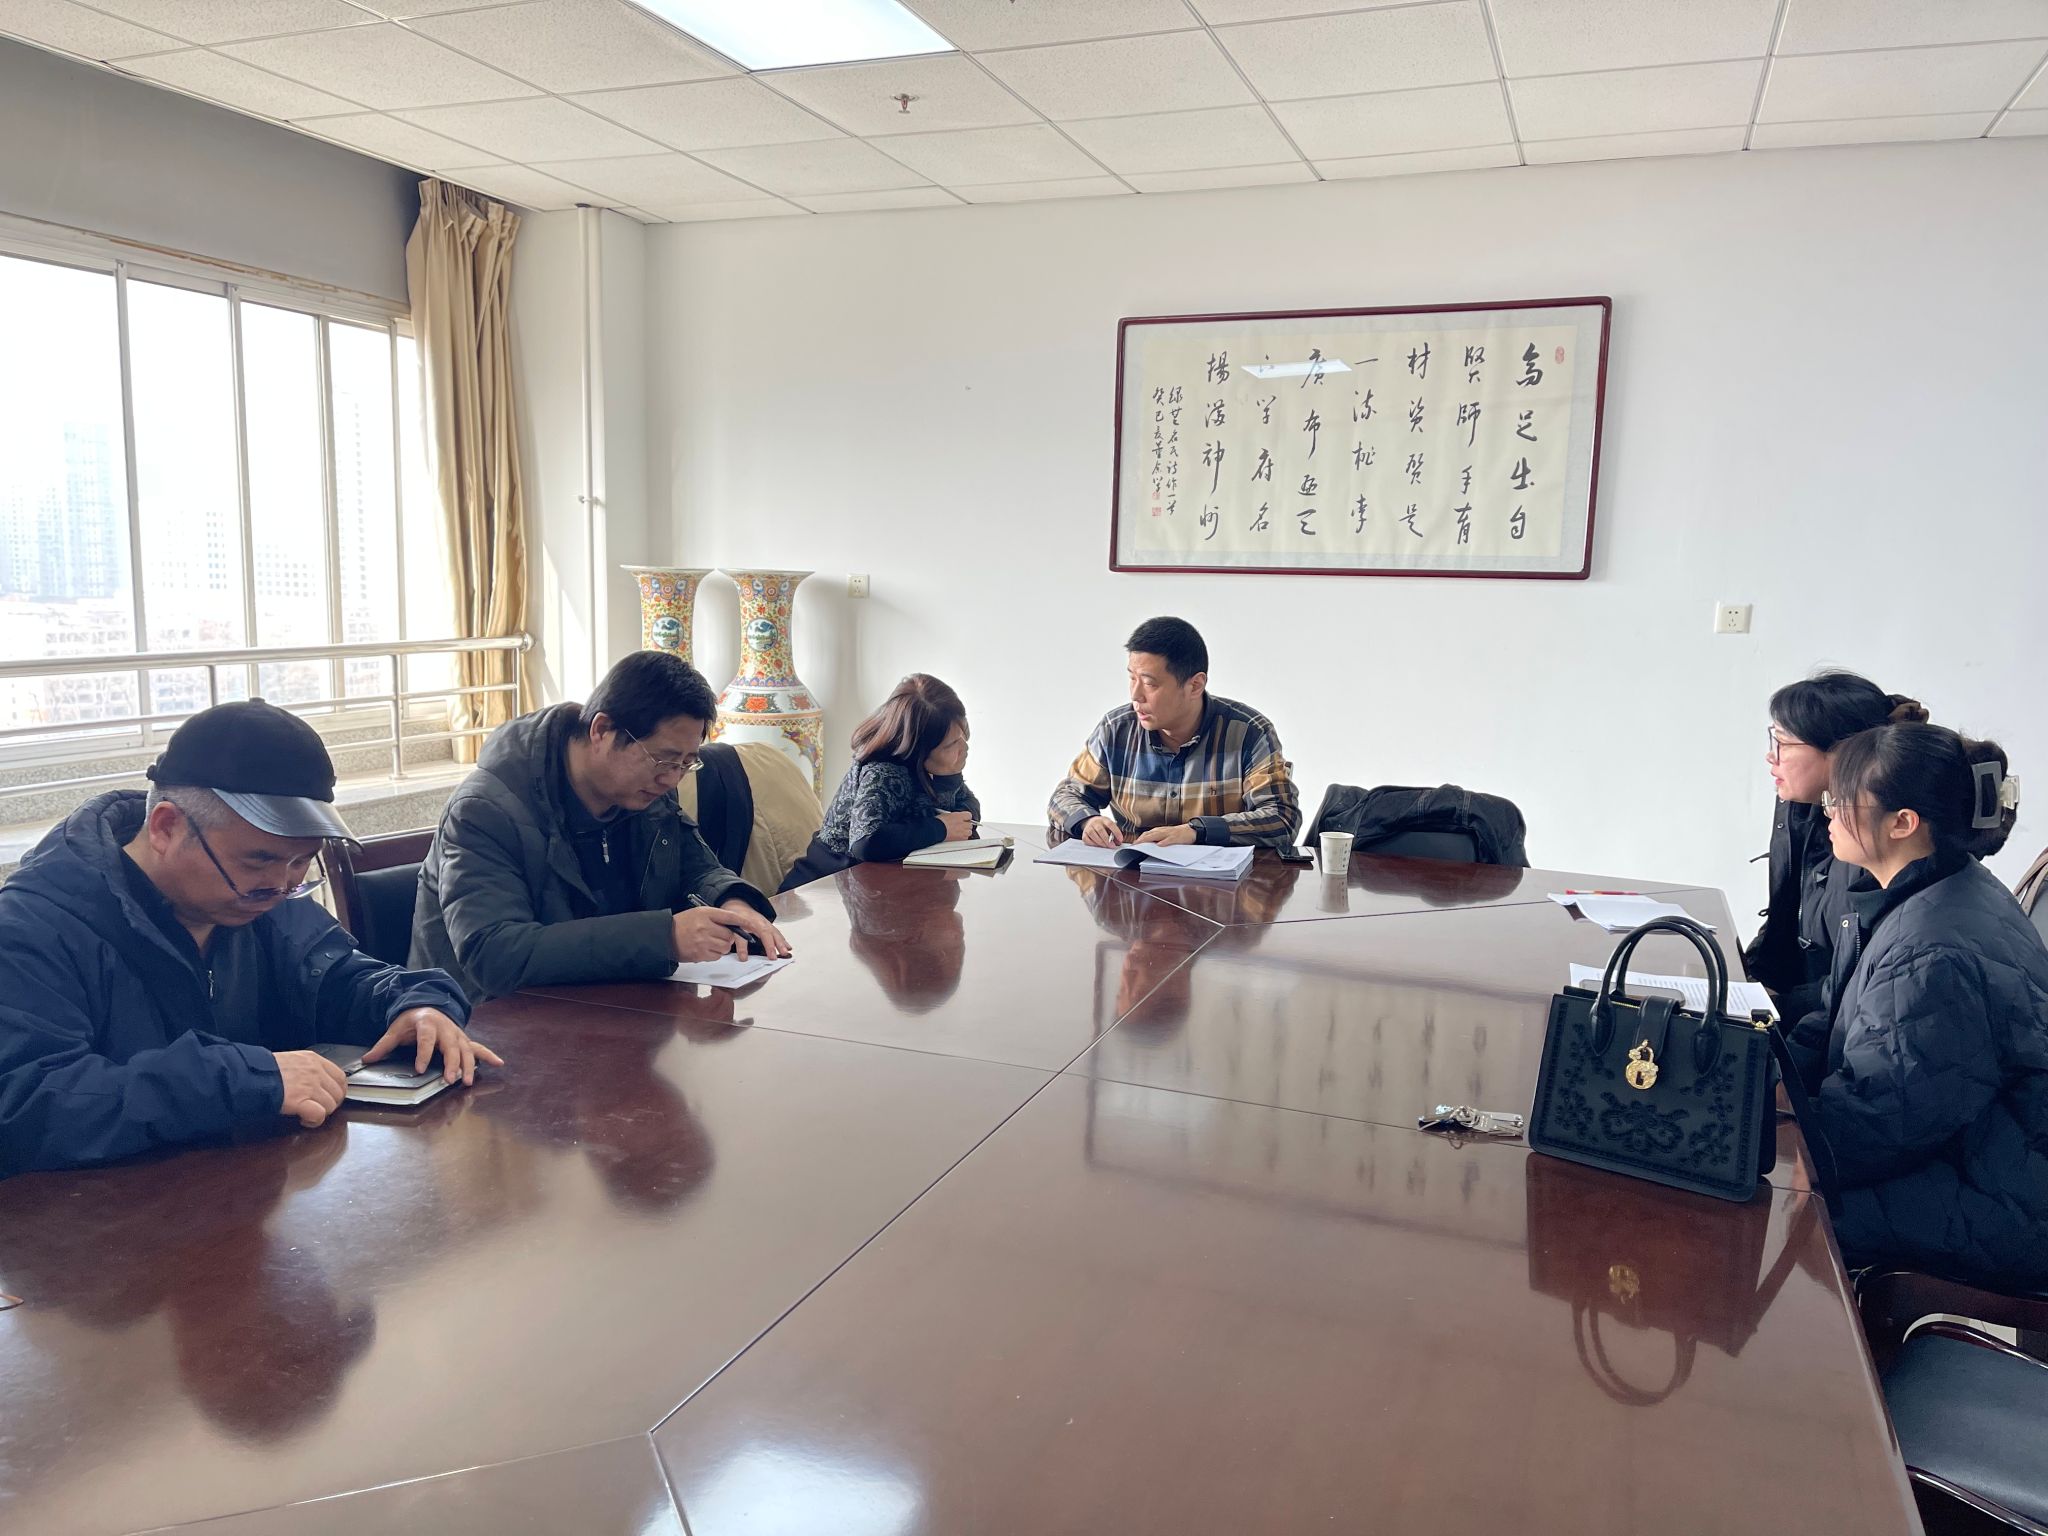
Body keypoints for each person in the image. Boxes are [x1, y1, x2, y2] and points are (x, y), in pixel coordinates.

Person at [0, 701, 495, 1177]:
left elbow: (340, 980)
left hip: (242, 1199)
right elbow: (23, 1103)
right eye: (259, 859)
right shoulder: (33, 928)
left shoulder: (256, 904)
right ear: (166, 827)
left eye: (301, 861)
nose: (281, 885)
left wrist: (416, 1006)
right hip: (99, 1221)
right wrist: (241, 1079)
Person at [1805, 722, 2048, 1287]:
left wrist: (1779, 1135)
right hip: (1971, 1150)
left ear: (1903, 823)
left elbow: (1880, 1127)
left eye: (1841, 801)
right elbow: (1837, 1016)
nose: (1828, 813)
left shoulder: (1932, 948)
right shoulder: (1932, 888)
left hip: (2004, 1198)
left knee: (1781, 1211)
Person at [411, 650, 790, 1002]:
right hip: (482, 1024)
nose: (672, 779)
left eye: (686, 763)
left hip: (606, 1007)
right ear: (602, 730)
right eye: (663, 759)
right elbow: (494, 955)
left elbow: (695, 867)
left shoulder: (645, 791)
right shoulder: (484, 811)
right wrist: (665, 938)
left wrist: (731, 902)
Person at [1746, 671, 1927, 1024]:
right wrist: (1748, 979)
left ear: (1843, 752)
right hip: (1801, 1015)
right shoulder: (1799, 810)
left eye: (1783, 742)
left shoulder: (1874, 841)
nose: (1771, 756)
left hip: (1831, 1026)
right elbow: (1784, 919)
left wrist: (1778, 1007)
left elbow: (1862, 980)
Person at [1049, 617, 1299, 850]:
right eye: (1132, 678)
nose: (1135, 695)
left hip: (1216, 879)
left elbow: (1281, 817)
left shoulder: (1248, 733)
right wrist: (1088, 821)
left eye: (1149, 683)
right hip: (1132, 875)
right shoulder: (1116, 730)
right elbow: (1066, 795)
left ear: (1195, 685)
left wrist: (1197, 831)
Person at [781, 673, 980, 890]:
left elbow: (967, 812)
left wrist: (949, 779)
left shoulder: (933, 767)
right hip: (824, 887)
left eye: (964, 734)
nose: (965, 747)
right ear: (919, 751)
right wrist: (940, 828)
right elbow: (865, 842)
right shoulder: (882, 771)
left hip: (877, 885)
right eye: (951, 744)